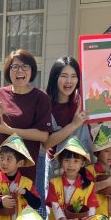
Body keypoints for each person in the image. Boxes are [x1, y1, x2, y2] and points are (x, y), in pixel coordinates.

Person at [0, 49, 53, 183]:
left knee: (21, 201)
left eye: (25, 66)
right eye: (15, 66)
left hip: (24, 165)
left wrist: (7, 130)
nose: (19, 71)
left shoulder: (40, 98)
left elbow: (43, 136)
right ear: (8, 70)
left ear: (32, 70)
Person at [40, 57, 91, 211]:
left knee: (81, 213)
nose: (69, 81)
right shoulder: (45, 104)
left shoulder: (82, 102)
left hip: (82, 168)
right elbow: (46, 142)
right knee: (58, 216)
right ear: (55, 77)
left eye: (74, 76)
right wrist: (74, 125)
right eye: (64, 76)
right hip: (57, 169)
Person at [45, 137, 99, 220]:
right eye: (67, 160)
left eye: (76, 161)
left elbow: (91, 207)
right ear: (60, 162)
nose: (71, 165)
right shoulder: (54, 183)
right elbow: (55, 205)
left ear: (82, 163)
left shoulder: (89, 185)